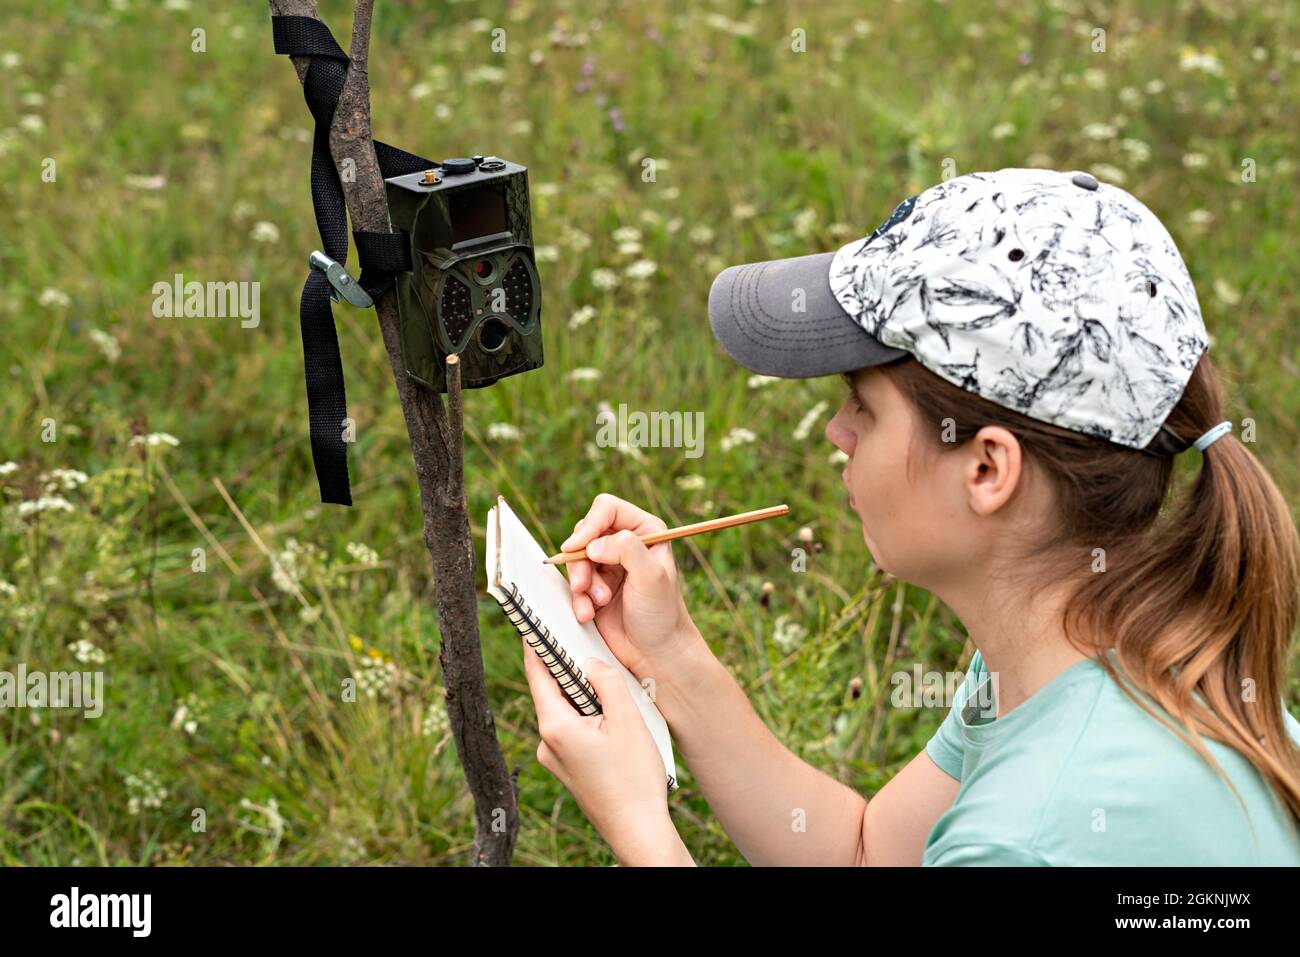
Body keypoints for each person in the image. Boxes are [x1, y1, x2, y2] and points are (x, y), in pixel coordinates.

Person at [520, 168, 1300, 866]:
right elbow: (866, 854)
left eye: (864, 404)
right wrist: (672, 657)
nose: (838, 431)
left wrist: (637, 822)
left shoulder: (1026, 836)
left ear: (988, 468)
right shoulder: (1096, 648)